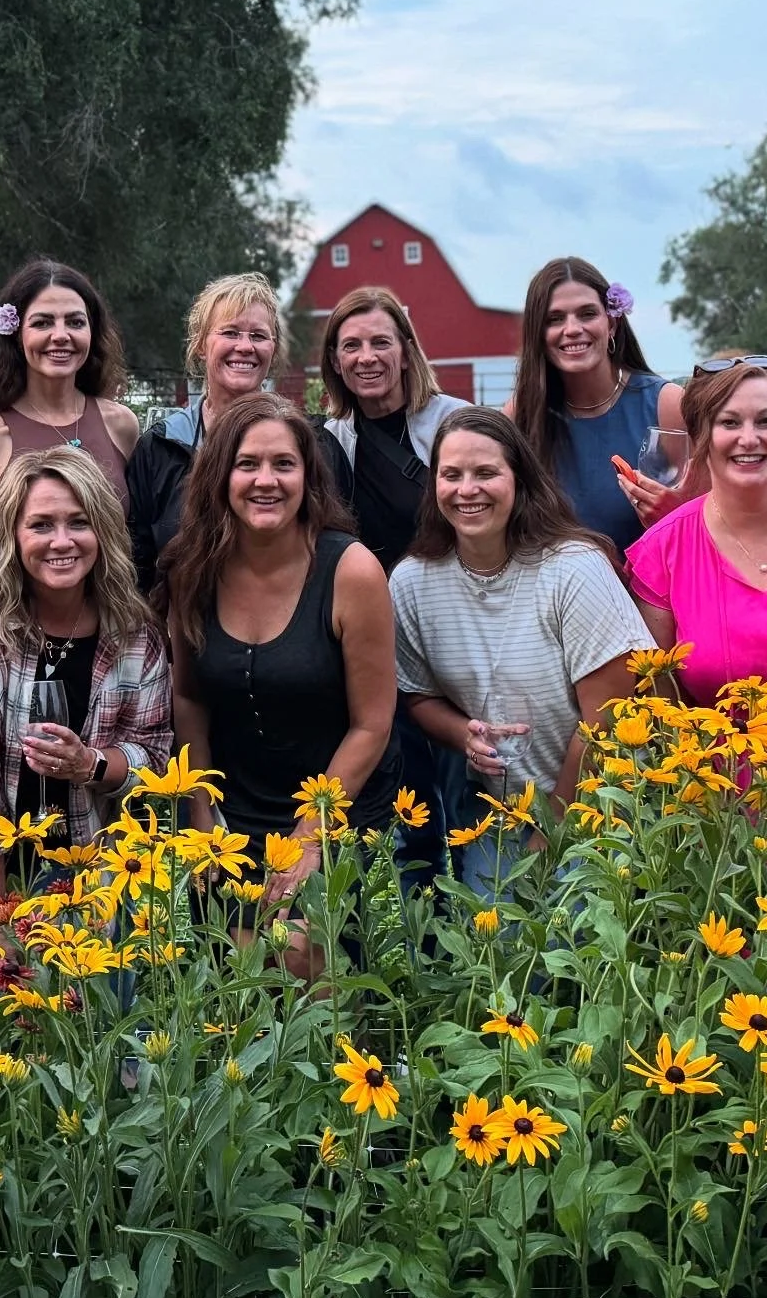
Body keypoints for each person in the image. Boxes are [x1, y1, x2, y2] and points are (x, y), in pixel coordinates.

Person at [165, 394, 398, 976]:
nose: (265, 480)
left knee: (300, 964)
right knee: (228, 985)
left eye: (283, 465)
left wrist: (311, 837)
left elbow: (373, 722)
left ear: (308, 476)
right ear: (221, 477)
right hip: (227, 817)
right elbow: (189, 697)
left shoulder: (351, 571)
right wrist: (200, 815)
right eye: (247, 464)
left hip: (332, 811)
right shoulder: (192, 569)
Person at [391, 408, 652, 895]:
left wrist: (551, 831)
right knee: (497, 958)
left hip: (606, 805)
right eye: (451, 475)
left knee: (583, 954)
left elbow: (608, 718)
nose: (467, 489)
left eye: (486, 472)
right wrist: (461, 735)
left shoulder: (573, 568)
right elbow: (417, 695)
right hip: (500, 812)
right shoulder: (411, 583)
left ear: (519, 480)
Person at [0, 448, 171, 910]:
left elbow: (154, 756)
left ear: (103, 532)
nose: (62, 541)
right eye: (41, 524)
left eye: (79, 522)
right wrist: (0, 928)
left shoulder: (133, 634)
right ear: (13, 535)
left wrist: (88, 763)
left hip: (94, 874)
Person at [315, 287, 469, 886]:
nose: (366, 357)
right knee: (412, 814)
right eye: (350, 346)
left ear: (406, 350)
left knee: (471, 796)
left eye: (381, 341)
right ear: (334, 361)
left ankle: (485, 926)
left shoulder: (452, 421)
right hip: (379, 645)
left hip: (456, 630)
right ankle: (428, 949)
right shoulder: (331, 441)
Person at [625, 363, 767, 704]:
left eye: (766, 421)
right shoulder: (662, 550)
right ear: (701, 437)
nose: (749, 438)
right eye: (729, 422)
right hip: (719, 756)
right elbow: (659, 696)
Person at [0, 261, 138, 610]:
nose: (61, 335)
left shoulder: (122, 426)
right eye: (43, 322)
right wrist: (48, 592)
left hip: (109, 641)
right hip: (17, 645)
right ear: (16, 333)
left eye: (75, 322)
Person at [508, 258, 684, 556]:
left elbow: (709, 512)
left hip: (653, 594)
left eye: (587, 314)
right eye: (555, 319)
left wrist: (673, 512)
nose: (572, 329)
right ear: (538, 333)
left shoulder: (666, 404)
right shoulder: (517, 418)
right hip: (557, 597)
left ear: (611, 323)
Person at [127, 272, 286, 594]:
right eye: (230, 332)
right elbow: (138, 557)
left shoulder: (304, 442)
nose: (244, 346)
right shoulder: (160, 446)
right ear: (201, 344)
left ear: (273, 347)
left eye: (258, 335)